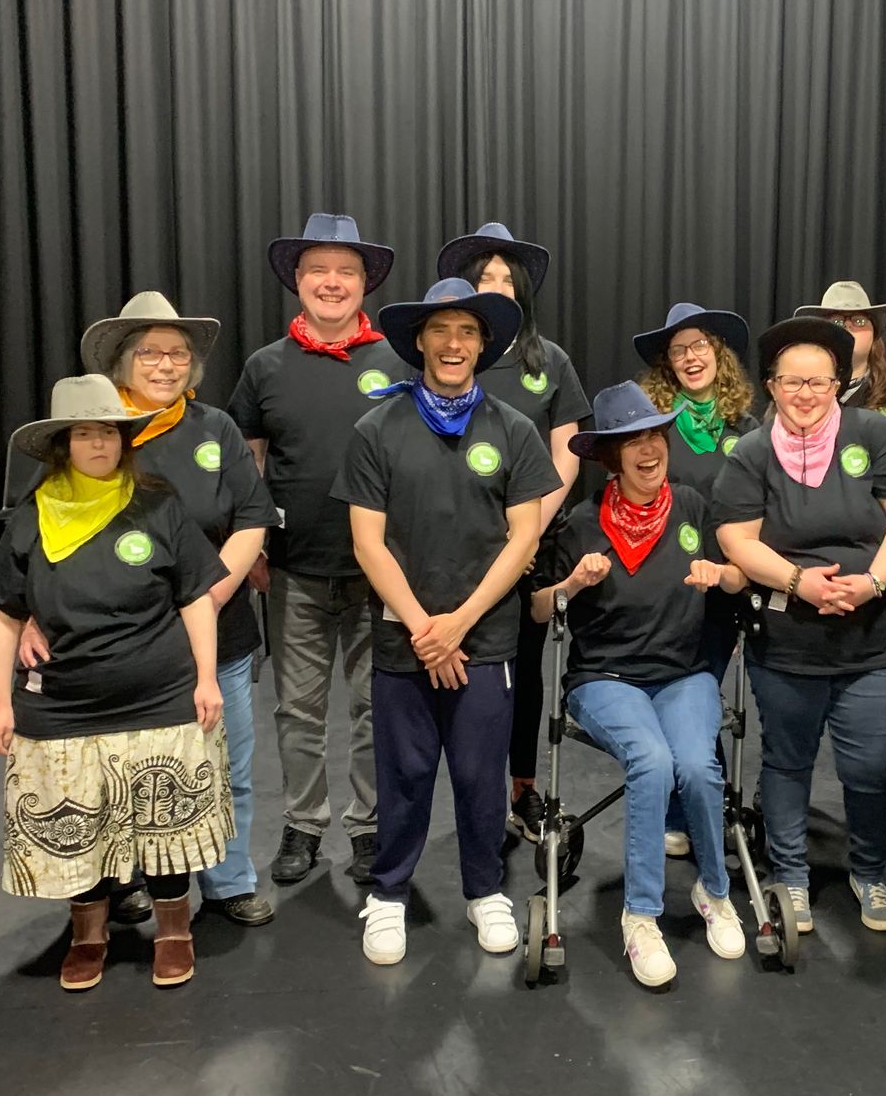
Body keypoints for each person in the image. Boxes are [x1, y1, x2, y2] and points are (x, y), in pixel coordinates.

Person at [333, 277, 561, 967]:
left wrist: (458, 623)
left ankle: (484, 890)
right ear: (420, 342)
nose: (454, 343)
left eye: (467, 331)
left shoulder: (514, 430)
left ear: (483, 344)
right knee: (402, 775)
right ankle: (390, 895)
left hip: (483, 636)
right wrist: (425, 629)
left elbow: (523, 540)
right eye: (441, 331)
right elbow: (367, 543)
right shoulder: (377, 429)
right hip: (406, 638)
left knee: (477, 773)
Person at [0, 374, 233, 991]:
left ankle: (175, 929)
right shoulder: (31, 518)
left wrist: (206, 678)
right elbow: (3, 616)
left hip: (159, 694)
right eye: (86, 434)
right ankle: (88, 934)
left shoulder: (158, 505)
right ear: (65, 444)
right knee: (79, 820)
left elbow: (196, 597)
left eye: (111, 434)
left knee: (164, 822)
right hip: (65, 702)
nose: (100, 445)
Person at [43, 292, 276, 927]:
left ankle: (229, 882)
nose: (166, 364)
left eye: (177, 353)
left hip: (218, 633)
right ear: (122, 361)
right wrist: (31, 616)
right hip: (115, 642)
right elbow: (38, 529)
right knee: (122, 769)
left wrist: (210, 594)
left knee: (226, 766)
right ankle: (130, 881)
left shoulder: (215, 429)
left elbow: (252, 518)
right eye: (149, 351)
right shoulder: (91, 433)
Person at [529, 381, 750, 988]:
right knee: (651, 761)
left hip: (682, 674)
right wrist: (571, 584)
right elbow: (540, 610)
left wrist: (721, 574)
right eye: (634, 441)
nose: (649, 449)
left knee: (700, 768)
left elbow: (737, 578)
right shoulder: (578, 523)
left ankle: (715, 892)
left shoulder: (692, 507)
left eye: (656, 435)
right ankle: (641, 917)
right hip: (607, 677)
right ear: (611, 457)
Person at [713, 318, 886, 935]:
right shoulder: (751, 451)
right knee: (787, 761)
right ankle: (791, 878)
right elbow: (735, 537)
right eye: (791, 382)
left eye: (817, 382)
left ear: (838, 384)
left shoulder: (875, 434)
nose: (805, 394)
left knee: (871, 767)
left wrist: (875, 582)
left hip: (873, 638)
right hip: (787, 640)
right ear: (772, 387)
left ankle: (869, 872)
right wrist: (797, 582)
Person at [228, 213, 404, 893]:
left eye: (346, 271)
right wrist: (254, 550)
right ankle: (303, 821)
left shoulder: (397, 361)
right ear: (297, 282)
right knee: (296, 709)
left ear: (365, 284)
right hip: (294, 569)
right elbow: (249, 465)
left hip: (376, 572)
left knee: (372, 707)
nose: (332, 283)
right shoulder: (265, 367)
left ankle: (367, 826)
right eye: (318, 271)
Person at [440, 223, 589, 844]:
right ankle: (467, 797)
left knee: (523, 674)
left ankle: (522, 791)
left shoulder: (546, 361)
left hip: (531, 543)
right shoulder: (450, 356)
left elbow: (568, 451)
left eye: (507, 280)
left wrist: (528, 526)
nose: (496, 288)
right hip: (454, 542)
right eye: (485, 280)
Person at [634, 301, 759, 677]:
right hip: (661, 581)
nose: (690, 357)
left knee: (703, 687)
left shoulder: (748, 429)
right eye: (678, 350)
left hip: (724, 583)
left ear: (719, 352)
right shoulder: (650, 427)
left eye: (700, 345)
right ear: (668, 363)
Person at [793, 281, 886, 429]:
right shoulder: (796, 392)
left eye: (859, 320)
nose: (848, 326)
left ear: (874, 334)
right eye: (837, 321)